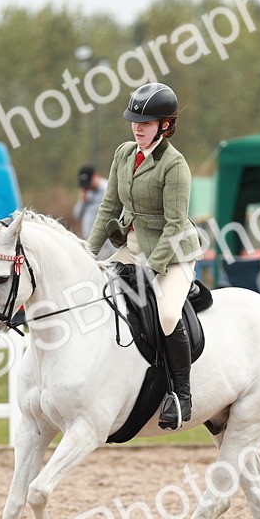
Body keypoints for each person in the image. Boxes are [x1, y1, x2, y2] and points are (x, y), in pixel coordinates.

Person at [87, 82, 202, 430]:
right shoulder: (123, 153)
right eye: (135, 121)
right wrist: (86, 253)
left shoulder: (174, 165)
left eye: (147, 122)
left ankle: (181, 394)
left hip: (173, 253)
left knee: (167, 315)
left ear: (165, 125)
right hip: (131, 245)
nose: (138, 127)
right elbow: (109, 207)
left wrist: (152, 270)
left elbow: (175, 224)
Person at [74, 164, 112, 258]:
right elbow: (76, 215)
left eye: (89, 182)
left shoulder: (108, 189)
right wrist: (82, 201)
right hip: (91, 242)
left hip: (108, 242)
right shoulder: (87, 193)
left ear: (96, 176)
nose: (88, 187)